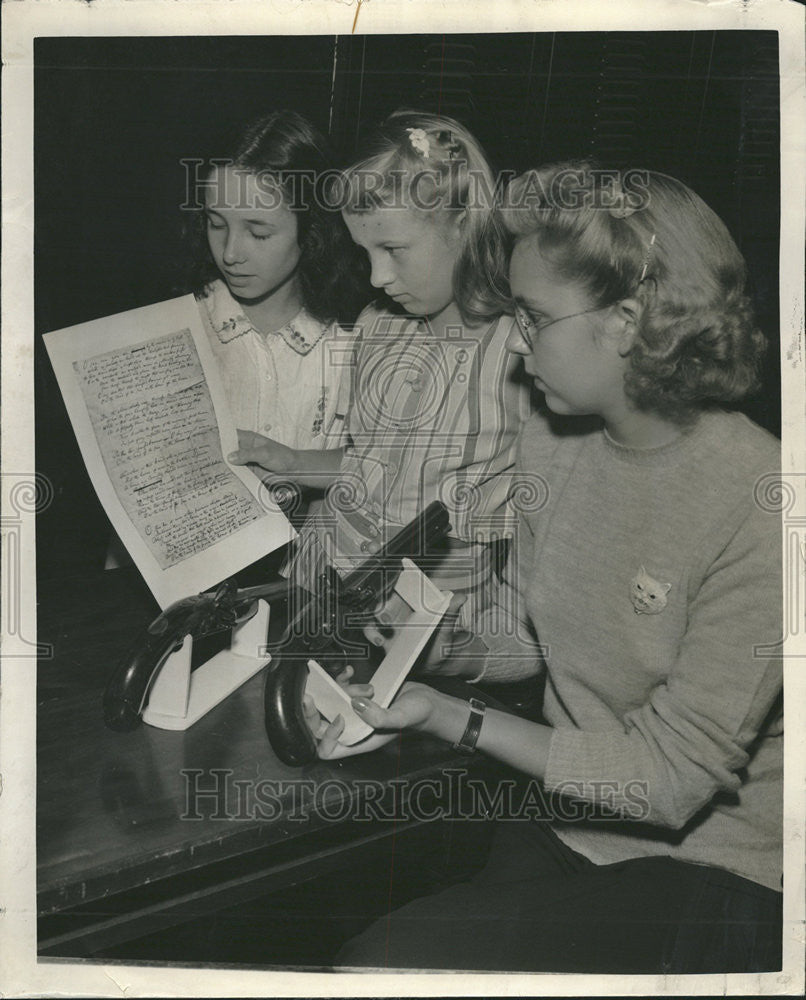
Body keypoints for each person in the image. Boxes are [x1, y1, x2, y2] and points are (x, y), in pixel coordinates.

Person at [312, 163, 783, 973]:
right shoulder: (556, 435)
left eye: (532, 318)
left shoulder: (765, 507)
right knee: (363, 940)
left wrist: (449, 716)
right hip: (567, 819)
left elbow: (669, 781)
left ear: (629, 321)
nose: (515, 347)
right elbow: (537, 635)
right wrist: (449, 648)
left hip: (721, 871)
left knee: (385, 963)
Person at [229, 110, 531, 638]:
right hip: (316, 581)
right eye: (364, 252)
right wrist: (293, 461)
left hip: (424, 627)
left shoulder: (523, 353)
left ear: (465, 223)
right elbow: (370, 462)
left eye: (393, 249)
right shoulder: (378, 326)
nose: (377, 276)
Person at [189, 110, 369, 454]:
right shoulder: (179, 326)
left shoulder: (357, 339)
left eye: (258, 233)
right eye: (216, 224)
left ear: (312, 229)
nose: (229, 253)